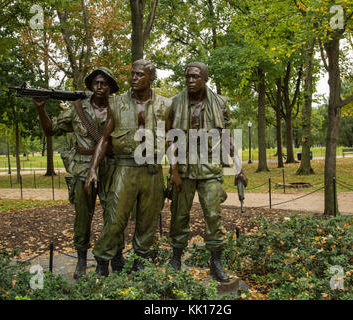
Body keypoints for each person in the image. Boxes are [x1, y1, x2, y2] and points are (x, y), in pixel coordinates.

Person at [85, 59, 171, 276]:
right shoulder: (117, 103)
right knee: (115, 219)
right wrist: (93, 169)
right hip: (125, 167)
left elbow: (173, 140)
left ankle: (140, 261)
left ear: (151, 78)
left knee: (148, 220)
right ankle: (103, 262)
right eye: (132, 74)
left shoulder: (165, 105)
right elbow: (104, 140)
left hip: (152, 169)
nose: (133, 78)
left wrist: (175, 174)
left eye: (139, 75)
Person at [33, 67, 120, 280]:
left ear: (111, 87)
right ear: (90, 85)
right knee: (83, 216)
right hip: (82, 168)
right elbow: (50, 130)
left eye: (104, 83)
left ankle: (115, 255)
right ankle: (81, 258)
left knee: (115, 214)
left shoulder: (119, 108)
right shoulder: (76, 109)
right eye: (96, 83)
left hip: (111, 167)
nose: (99, 86)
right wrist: (41, 110)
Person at [167, 62, 248, 282]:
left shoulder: (220, 103)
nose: (190, 81)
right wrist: (173, 170)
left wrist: (238, 167)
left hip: (210, 168)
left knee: (213, 216)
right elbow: (170, 139)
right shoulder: (174, 102)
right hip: (183, 169)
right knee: (179, 215)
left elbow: (228, 137)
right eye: (187, 77)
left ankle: (216, 261)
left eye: (195, 77)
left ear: (205, 79)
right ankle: (175, 257)